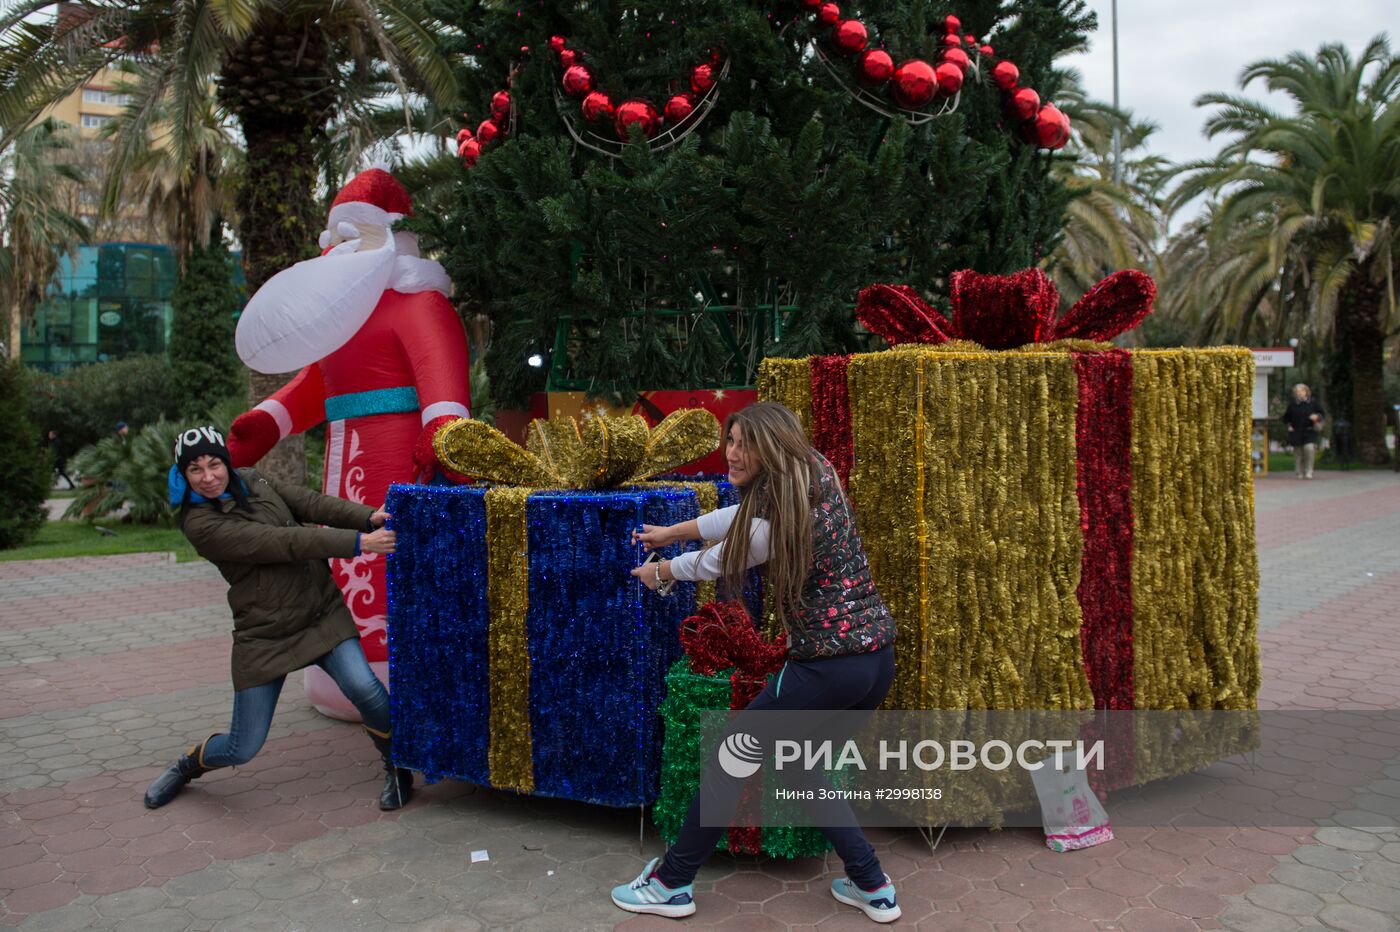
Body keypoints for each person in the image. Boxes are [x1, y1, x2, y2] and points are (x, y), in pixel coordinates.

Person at [613, 402, 900, 923]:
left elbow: (729, 553)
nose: (733, 452)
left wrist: (665, 572)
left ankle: (671, 884)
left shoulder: (785, 511)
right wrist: (672, 532)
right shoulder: (811, 470)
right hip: (876, 660)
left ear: (772, 446)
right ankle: (873, 885)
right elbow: (739, 518)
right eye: (731, 440)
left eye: (745, 443)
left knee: (730, 760)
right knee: (806, 769)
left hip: (827, 667)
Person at [143, 425, 414, 811]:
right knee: (243, 745)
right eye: (195, 470)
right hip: (266, 632)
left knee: (367, 691)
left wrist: (368, 517)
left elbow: (307, 503)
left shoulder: (252, 479)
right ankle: (186, 766)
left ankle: (397, 767)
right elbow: (281, 543)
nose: (208, 477)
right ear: (183, 475)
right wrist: (358, 544)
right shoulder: (199, 524)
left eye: (214, 464)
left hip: (320, 612)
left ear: (227, 462)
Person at [1282, 384, 1325, 479]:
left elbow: (1321, 414)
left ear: (1306, 392)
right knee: (1298, 452)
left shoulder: (1313, 403)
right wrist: (1289, 426)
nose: (1299, 393)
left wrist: (1316, 417)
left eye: (1301, 391)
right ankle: (1299, 472)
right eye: (1297, 392)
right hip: (1296, 431)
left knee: (1309, 448)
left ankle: (1309, 470)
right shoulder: (1292, 405)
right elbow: (1286, 418)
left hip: (1310, 431)